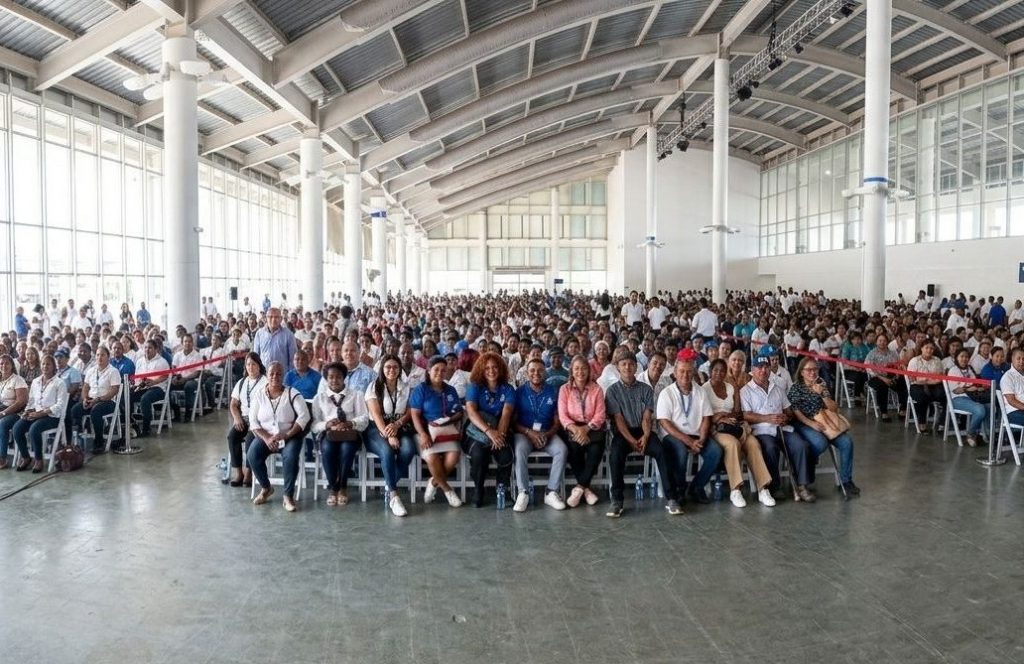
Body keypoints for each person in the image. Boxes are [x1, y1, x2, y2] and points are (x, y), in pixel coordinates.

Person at [605, 351, 680, 517]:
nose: (627, 367)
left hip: (643, 430)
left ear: (636, 367)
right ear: (617, 367)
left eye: (631, 364)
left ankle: (671, 498)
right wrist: (631, 440)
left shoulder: (645, 389)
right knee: (615, 454)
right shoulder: (612, 391)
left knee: (661, 451)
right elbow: (618, 419)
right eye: (623, 364)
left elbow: (647, 417)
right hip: (623, 433)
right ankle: (617, 500)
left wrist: (646, 436)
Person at [741, 355, 816, 503]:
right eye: (759, 367)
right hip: (762, 430)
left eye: (766, 367)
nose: (763, 370)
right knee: (770, 448)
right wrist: (767, 418)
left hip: (782, 428)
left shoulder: (777, 388)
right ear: (752, 370)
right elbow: (747, 415)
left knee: (801, 445)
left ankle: (802, 486)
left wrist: (785, 418)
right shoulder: (746, 391)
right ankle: (774, 486)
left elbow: (788, 410)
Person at [701, 358, 774, 508]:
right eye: (715, 370)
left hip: (733, 425)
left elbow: (737, 412)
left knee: (753, 443)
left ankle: (763, 489)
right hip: (716, 429)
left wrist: (729, 417)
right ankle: (736, 490)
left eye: (722, 370)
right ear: (710, 372)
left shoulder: (730, 387)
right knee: (733, 444)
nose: (719, 373)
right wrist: (720, 417)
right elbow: (702, 415)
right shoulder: (704, 389)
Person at [657, 351, 723, 505]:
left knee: (715, 452)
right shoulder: (667, 393)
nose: (685, 375)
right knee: (680, 450)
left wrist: (701, 439)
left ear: (694, 372)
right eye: (681, 371)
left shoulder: (700, 392)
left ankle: (696, 487)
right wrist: (688, 441)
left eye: (689, 371)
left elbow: (707, 417)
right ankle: (679, 490)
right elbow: (664, 422)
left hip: (696, 435)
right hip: (673, 436)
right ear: (675, 372)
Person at [787, 357, 859, 498]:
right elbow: (796, 411)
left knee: (847, 443)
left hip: (825, 421)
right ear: (802, 372)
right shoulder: (796, 387)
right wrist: (811, 423)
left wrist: (822, 395)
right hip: (804, 423)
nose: (813, 372)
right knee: (820, 443)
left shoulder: (821, 384)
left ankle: (846, 481)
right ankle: (807, 464)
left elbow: (833, 408)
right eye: (809, 370)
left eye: (815, 369)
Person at [247, 361, 311, 512]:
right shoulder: (259, 394)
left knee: (290, 457)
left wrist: (287, 435)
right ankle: (266, 488)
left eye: (278, 374)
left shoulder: (293, 393)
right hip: (266, 436)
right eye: (271, 373)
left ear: (283, 376)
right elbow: (253, 421)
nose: (275, 376)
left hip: (289, 436)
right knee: (252, 454)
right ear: (267, 375)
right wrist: (267, 438)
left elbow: (304, 417)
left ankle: (288, 496)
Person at [511, 358, 567, 512]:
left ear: (545, 372)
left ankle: (551, 492)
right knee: (519, 450)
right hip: (524, 432)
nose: (536, 373)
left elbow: (557, 421)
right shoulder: (519, 392)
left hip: (546, 433)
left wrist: (547, 435)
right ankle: (523, 492)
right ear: (527, 373)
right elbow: (513, 422)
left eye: (540, 370)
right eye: (532, 370)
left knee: (561, 449)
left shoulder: (552, 391)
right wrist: (530, 433)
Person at [364, 355, 417, 517]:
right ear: (382, 369)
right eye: (388, 367)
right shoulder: (374, 387)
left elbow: (409, 410)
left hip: (399, 427)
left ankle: (388, 485)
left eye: (395, 367)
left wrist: (397, 425)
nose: (391, 370)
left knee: (408, 449)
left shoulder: (406, 387)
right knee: (387, 451)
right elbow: (376, 414)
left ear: (400, 369)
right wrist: (389, 435)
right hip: (376, 429)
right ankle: (394, 495)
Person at [408, 356, 464, 507]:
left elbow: (458, 411)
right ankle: (447, 490)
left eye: (443, 370)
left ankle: (433, 482)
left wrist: (451, 418)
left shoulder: (450, 389)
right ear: (428, 371)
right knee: (432, 458)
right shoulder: (421, 389)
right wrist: (423, 434)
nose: (440, 372)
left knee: (454, 456)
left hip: (445, 431)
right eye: (436, 369)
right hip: (424, 431)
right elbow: (414, 415)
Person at [463, 352, 516, 507]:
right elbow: (471, 412)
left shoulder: (508, 389)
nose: (491, 371)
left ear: (500, 369)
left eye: (494, 367)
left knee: (505, 454)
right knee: (478, 453)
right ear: (481, 369)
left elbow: (506, 414)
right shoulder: (475, 387)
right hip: (478, 429)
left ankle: (502, 488)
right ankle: (479, 489)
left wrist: (499, 435)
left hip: (500, 428)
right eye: (487, 368)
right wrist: (488, 432)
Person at [312, 362, 368, 507]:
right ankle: (333, 488)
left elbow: (364, 418)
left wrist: (349, 423)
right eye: (330, 377)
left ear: (344, 378)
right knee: (328, 449)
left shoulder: (356, 395)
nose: (334, 380)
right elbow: (314, 424)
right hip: (329, 434)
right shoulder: (320, 398)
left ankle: (342, 486)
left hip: (350, 434)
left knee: (346, 449)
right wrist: (327, 424)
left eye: (338, 377)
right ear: (326, 379)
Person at [557, 355, 607, 507]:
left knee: (596, 449)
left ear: (589, 370)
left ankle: (579, 488)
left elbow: (600, 415)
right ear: (571, 371)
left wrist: (585, 429)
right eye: (576, 368)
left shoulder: (597, 389)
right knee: (573, 449)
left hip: (592, 427)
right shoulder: (564, 389)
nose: (580, 372)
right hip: (572, 427)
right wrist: (576, 430)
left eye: (584, 368)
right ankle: (586, 490)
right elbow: (562, 415)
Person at [11, 354, 68, 473]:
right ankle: (26, 457)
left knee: (34, 429)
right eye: (43, 364)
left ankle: (38, 459)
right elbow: (31, 401)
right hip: (36, 414)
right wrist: (27, 411)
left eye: (48, 364)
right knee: (17, 428)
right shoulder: (36, 381)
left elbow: (60, 405)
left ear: (53, 366)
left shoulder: (59, 383)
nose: (45, 366)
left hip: (51, 416)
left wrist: (42, 413)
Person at [69, 346, 121, 454]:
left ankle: (99, 441)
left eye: (102, 355)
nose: (99, 357)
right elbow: (85, 387)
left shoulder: (113, 371)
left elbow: (114, 391)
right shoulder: (91, 371)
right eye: (97, 355)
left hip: (107, 401)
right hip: (91, 400)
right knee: (75, 410)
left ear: (108, 357)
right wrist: (84, 399)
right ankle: (78, 439)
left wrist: (98, 400)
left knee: (96, 411)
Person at [226, 352, 266, 487]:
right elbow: (233, 404)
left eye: (253, 364)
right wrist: (237, 418)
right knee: (232, 437)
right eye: (248, 364)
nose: (250, 367)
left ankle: (249, 472)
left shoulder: (265, 382)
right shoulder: (242, 382)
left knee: (250, 439)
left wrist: (255, 422)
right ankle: (239, 472)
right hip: (243, 418)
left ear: (259, 366)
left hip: (259, 420)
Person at [947, 348, 989, 447]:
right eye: (962, 356)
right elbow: (955, 390)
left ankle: (984, 434)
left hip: (973, 397)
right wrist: (967, 389)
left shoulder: (970, 369)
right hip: (957, 399)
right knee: (980, 410)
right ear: (956, 358)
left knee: (989, 406)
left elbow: (975, 383)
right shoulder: (953, 370)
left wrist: (978, 388)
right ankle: (971, 433)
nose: (964, 359)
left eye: (966, 357)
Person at [864, 332, 907, 422]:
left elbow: (897, 365)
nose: (882, 342)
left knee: (903, 382)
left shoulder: (893, 353)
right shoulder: (872, 354)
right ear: (876, 342)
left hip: (891, 376)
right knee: (882, 386)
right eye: (880, 340)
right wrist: (883, 378)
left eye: (884, 341)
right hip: (876, 377)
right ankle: (884, 412)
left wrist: (897, 374)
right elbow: (869, 369)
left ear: (887, 342)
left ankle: (903, 409)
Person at [132, 339, 170, 438]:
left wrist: (153, 382)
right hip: (143, 387)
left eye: (150, 348)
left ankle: (146, 427)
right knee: (127, 395)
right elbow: (137, 377)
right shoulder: (140, 361)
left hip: (158, 388)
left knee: (145, 399)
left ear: (155, 349)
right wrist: (138, 385)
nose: (147, 350)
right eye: (145, 348)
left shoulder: (162, 361)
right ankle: (131, 423)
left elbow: (165, 376)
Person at [905, 340, 944, 433]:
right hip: (917, 386)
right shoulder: (914, 361)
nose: (929, 350)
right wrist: (926, 380)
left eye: (931, 348)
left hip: (933, 385)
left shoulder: (937, 361)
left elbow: (940, 377)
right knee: (922, 396)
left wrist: (928, 381)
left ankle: (942, 423)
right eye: (926, 347)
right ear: (922, 348)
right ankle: (922, 422)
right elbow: (913, 379)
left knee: (943, 394)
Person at [0, 354, 29, 468]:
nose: (3, 366)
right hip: (2, 409)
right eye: (1, 363)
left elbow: (21, 402)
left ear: (12, 365)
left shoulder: (18, 380)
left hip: (16, 412)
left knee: (2, 424)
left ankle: (2, 458)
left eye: (7, 363)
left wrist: (4, 412)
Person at [252, 308, 297, 373]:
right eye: (270, 317)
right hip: (264, 375)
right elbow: (256, 357)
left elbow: (293, 358)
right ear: (266, 318)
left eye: (276, 317)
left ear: (281, 319)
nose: (273, 320)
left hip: (282, 376)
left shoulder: (288, 334)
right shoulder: (259, 334)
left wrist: (289, 376)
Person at [999, 348, 1024, 427]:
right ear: (1012, 359)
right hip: (1013, 412)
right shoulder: (1007, 377)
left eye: (1023, 359)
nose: (1021, 361)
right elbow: (1011, 401)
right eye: (1018, 358)